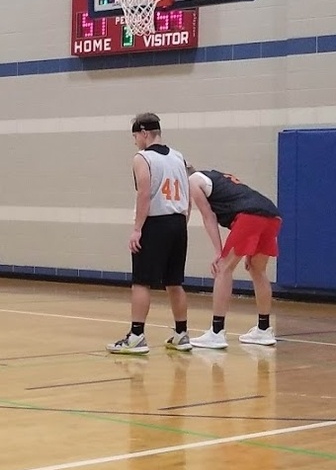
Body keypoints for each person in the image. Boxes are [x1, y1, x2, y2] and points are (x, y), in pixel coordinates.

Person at [108, 113, 192, 355]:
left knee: (141, 281)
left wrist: (137, 229)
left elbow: (143, 193)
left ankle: (136, 336)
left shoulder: (142, 158)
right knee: (174, 281)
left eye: (135, 136)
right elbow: (188, 192)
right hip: (178, 222)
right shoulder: (179, 157)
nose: (135, 142)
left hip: (155, 223)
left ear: (144, 133)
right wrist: (182, 221)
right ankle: (181, 334)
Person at [186, 167, 282, 349]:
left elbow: (209, 217)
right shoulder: (214, 177)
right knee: (257, 270)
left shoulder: (193, 181)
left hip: (250, 216)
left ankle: (216, 332)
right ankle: (263, 329)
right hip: (272, 215)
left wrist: (218, 252)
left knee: (223, 268)